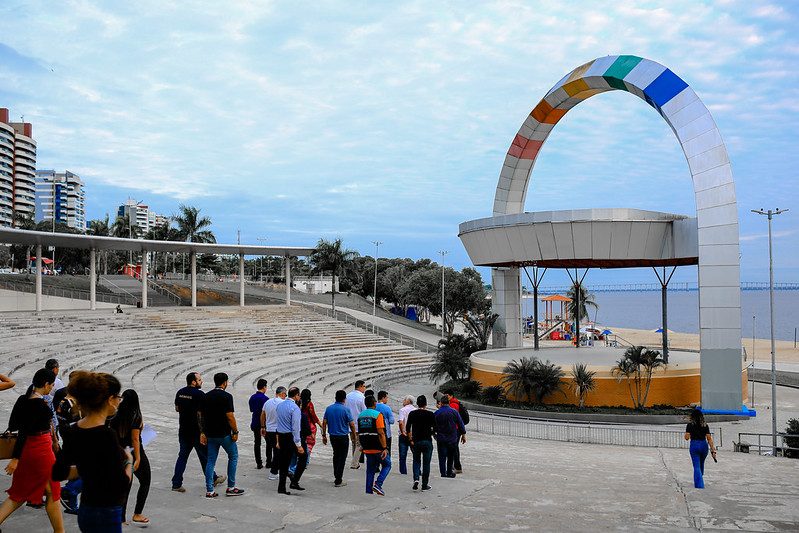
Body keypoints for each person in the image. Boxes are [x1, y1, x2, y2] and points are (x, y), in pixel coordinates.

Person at [52, 371, 132, 532]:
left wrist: (86, 469)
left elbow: (58, 473)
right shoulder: (107, 435)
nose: (119, 401)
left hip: (86, 508)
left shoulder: (73, 430)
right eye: (118, 397)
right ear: (110, 400)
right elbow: (122, 483)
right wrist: (129, 460)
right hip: (107, 511)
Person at [0, 368, 64, 532]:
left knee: (19, 493)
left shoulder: (23, 400)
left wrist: (18, 457)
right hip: (41, 450)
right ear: (46, 384)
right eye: (50, 385)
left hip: (28, 450)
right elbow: (24, 431)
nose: (51, 388)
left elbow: (14, 425)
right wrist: (15, 458)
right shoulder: (40, 405)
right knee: (53, 490)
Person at [171, 372, 223, 493]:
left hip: (183, 430)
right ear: (193, 382)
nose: (201, 382)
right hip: (196, 432)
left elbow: (177, 408)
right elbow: (202, 414)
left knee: (182, 457)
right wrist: (203, 432)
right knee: (205, 457)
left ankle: (176, 484)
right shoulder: (199, 395)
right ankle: (213, 479)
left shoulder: (180, 392)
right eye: (199, 380)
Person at [108, 390, 150, 525]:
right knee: (145, 480)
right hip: (133, 452)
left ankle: (121, 518)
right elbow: (135, 439)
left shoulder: (115, 414)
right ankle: (137, 513)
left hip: (119, 451)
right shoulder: (135, 415)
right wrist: (137, 458)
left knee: (125, 485)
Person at [200, 372, 244, 498]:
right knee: (233, 456)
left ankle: (210, 490)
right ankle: (231, 487)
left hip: (210, 434)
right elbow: (230, 416)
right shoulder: (227, 396)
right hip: (224, 434)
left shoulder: (206, 396)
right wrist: (235, 431)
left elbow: (201, 415)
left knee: (210, 461)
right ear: (225, 382)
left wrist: (202, 432)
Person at [54, 373, 82, 515]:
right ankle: (67, 491)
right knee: (87, 471)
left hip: (73, 440)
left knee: (76, 472)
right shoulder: (68, 403)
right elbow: (65, 424)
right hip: (74, 442)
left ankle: (72, 504)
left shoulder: (72, 401)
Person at [321, 389, 356, 487]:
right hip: (343, 436)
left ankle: (336, 474)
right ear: (344, 399)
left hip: (333, 436)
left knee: (336, 455)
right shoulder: (346, 409)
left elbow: (324, 422)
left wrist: (324, 435)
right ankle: (338, 479)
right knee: (342, 457)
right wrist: (354, 435)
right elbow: (352, 424)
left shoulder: (329, 408)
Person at [357, 394, 390, 496]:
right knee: (387, 464)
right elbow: (381, 432)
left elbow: (360, 432)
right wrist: (385, 447)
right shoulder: (378, 415)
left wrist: (361, 445)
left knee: (370, 469)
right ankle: (378, 484)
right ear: (375, 403)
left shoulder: (360, 415)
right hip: (377, 446)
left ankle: (368, 490)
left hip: (366, 446)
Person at [275, 387, 305, 494]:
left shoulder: (280, 405)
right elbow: (295, 428)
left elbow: (277, 423)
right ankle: (294, 480)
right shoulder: (294, 408)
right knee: (303, 458)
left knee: (283, 462)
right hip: (290, 437)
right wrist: (298, 444)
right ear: (296, 395)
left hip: (281, 436)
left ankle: (282, 487)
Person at [406, 394, 436, 491]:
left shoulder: (412, 414)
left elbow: (408, 428)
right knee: (426, 464)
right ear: (426, 404)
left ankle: (416, 478)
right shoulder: (431, 414)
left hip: (416, 441)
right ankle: (424, 484)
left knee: (416, 461)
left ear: (417, 404)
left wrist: (410, 440)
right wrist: (431, 433)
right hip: (427, 441)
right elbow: (435, 428)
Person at [434, 394, 466, 478]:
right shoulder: (454, 412)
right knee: (450, 456)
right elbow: (460, 423)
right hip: (452, 438)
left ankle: (443, 473)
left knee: (442, 457)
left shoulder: (437, 413)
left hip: (441, 438)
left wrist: (434, 434)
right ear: (448, 402)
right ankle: (449, 472)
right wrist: (463, 434)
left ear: (441, 403)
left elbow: (432, 426)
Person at [684, 408, 717, 489]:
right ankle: (700, 478)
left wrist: (688, 433)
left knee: (696, 466)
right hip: (703, 445)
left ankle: (699, 485)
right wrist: (712, 450)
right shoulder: (705, 425)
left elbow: (687, 438)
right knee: (701, 463)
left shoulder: (690, 425)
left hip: (694, 445)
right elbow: (709, 438)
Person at [290, 389, 319, 475]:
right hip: (309, 426)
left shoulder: (298, 403)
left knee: (301, 444)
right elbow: (313, 415)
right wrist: (320, 424)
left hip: (299, 424)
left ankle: (298, 462)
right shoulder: (309, 404)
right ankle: (305, 461)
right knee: (308, 445)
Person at [261, 386, 287, 481]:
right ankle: (274, 472)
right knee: (278, 452)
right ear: (282, 394)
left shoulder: (267, 402)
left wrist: (263, 427)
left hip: (269, 430)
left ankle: (276, 469)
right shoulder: (283, 403)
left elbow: (262, 414)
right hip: (278, 431)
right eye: (285, 394)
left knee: (275, 450)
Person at [442, 388, 465, 474]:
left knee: (454, 448)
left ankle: (457, 466)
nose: (445, 397)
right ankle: (453, 466)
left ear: (451, 396)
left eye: (447, 395)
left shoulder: (454, 404)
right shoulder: (454, 403)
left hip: (455, 430)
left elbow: (451, 416)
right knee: (453, 448)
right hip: (455, 429)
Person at [248, 379, 269, 469]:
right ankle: (269, 462)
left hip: (255, 422)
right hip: (264, 423)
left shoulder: (252, 397)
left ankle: (258, 462)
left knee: (257, 443)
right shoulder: (265, 399)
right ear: (264, 387)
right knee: (269, 442)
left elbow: (251, 409)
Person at [346, 380, 367, 469]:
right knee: (359, 444)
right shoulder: (362, 397)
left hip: (350, 424)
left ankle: (355, 461)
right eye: (364, 386)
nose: (365, 388)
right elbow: (364, 411)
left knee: (354, 443)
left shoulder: (348, 396)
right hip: (359, 425)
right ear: (360, 386)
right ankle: (354, 463)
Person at [396, 395, 415, 475]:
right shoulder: (415, 410)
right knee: (415, 454)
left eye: (404, 400)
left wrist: (402, 431)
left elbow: (401, 422)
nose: (403, 401)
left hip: (404, 434)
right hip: (413, 434)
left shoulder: (402, 410)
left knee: (403, 455)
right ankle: (417, 471)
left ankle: (403, 472)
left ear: (408, 401)